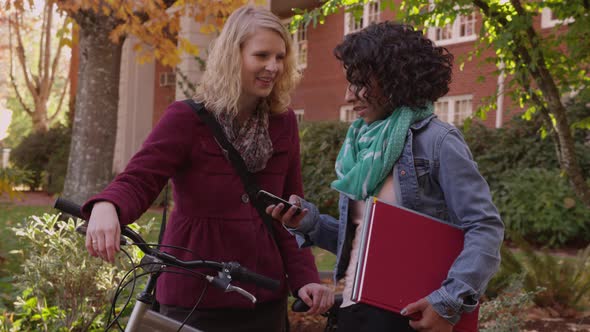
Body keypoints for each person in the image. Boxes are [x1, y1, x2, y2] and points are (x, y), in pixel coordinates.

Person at [82, 5, 333, 332]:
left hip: (263, 297)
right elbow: (140, 178)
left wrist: (305, 280)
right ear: (233, 56)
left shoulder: (282, 123)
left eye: (280, 57)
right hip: (194, 293)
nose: (273, 66)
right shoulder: (187, 119)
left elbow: (289, 215)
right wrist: (107, 206)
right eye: (261, 55)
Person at [268, 22, 504, 332]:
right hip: (354, 311)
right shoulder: (363, 148)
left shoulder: (437, 141)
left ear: (395, 78)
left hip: (411, 315)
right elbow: (362, 242)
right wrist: (309, 223)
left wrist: (447, 301)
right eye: (349, 82)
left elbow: (484, 228)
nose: (350, 95)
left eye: (360, 82)